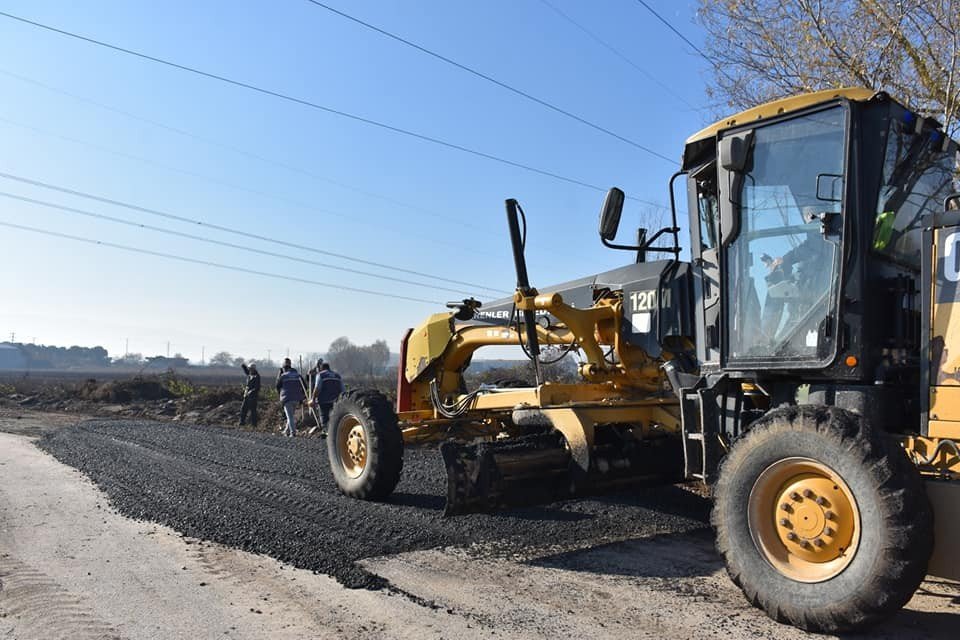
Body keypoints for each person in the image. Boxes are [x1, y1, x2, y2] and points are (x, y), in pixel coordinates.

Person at [309, 362, 343, 434]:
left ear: (321, 368)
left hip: (324, 400)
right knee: (334, 417)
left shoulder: (321, 375)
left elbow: (317, 388)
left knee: (324, 417)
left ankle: (326, 432)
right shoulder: (337, 375)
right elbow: (343, 389)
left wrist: (313, 399)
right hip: (336, 400)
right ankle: (334, 433)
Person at [275, 358, 305, 437]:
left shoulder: (283, 376)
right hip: (297, 398)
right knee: (290, 415)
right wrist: (302, 396)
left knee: (290, 416)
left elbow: (277, 386)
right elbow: (304, 386)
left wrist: (280, 394)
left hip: (287, 398)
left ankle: (293, 432)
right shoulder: (298, 375)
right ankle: (286, 431)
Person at [238, 362, 260, 428]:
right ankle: (242, 423)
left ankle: (254, 425)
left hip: (253, 397)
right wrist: (243, 366)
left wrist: (251, 392)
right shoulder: (250, 374)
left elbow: (257, 387)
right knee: (243, 409)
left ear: (253, 369)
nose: (250, 369)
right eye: (249, 368)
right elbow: (247, 372)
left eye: (250, 368)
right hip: (246, 395)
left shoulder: (257, 376)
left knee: (253, 411)